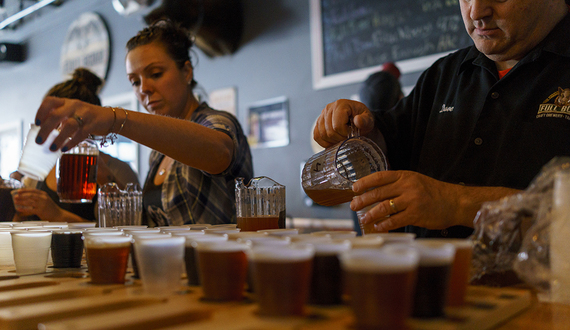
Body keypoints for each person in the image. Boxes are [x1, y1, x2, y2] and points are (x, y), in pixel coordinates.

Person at [313, 0, 570, 238]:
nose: (476, 12)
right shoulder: (444, 74)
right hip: (429, 281)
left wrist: (457, 204)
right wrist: (361, 130)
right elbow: (390, 144)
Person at [32, 20, 253, 227]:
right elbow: (147, 228)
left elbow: (219, 152)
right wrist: (107, 180)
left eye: (155, 74)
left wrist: (115, 119)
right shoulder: (157, 154)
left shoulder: (217, 122)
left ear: (186, 72)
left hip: (216, 266)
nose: (144, 88)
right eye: (135, 81)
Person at [11, 68, 140, 222]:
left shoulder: (117, 170)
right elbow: (20, 221)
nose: (49, 126)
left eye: (55, 118)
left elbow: (125, 230)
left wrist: (56, 215)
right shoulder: (42, 168)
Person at [351, 62, 404, 234]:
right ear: (401, 100)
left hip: (364, 240)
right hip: (405, 243)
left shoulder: (355, 146)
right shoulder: (409, 140)